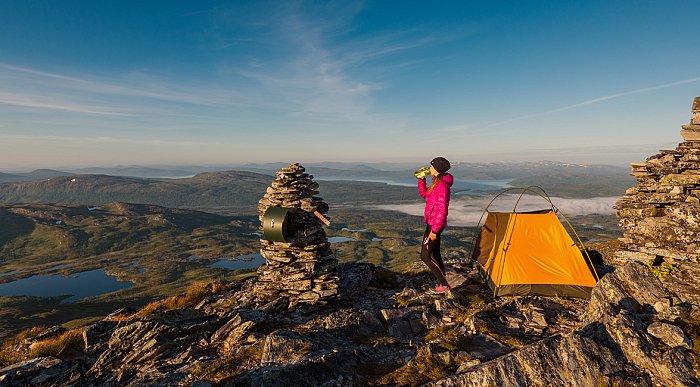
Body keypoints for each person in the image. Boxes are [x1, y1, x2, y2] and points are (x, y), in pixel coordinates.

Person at [417, 157, 453, 294]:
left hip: (435, 225)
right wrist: (421, 180)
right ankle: (441, 280)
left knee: (425, 256)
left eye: (431, 166)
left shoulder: (442, 187)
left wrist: (435, 231)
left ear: (437, 170)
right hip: (431, 223)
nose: (429, 168)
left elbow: (442, 210)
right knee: (435, 253)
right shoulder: (436, 183)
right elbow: (424, 194)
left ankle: (444, 285)